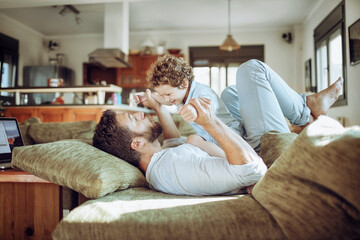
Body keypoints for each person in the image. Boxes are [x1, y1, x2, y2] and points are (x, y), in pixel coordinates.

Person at [145, 55, 343, 152]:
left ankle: (305, 109)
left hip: (239, 136)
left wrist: (163, 103)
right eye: (164, 96)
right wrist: (157, 99)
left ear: (184, 84)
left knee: (229, 92)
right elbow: (170, 99)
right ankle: (305, 110)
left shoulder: (198, 97)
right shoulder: (187, 94)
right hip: (253, 146)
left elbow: (205, 107)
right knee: (252, 68)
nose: (168, 99)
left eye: (168, 94)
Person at [93, 90, 267, 196]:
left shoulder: (160, 162)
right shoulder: (171, 167)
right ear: (137, 144)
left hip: (246, 155)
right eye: (133, 118)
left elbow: (173, 142)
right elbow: (251, 171)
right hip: (254, 159)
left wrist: (158, 107)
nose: (140, 113)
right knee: (252, 71)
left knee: (231, 94)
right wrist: (209, 121)